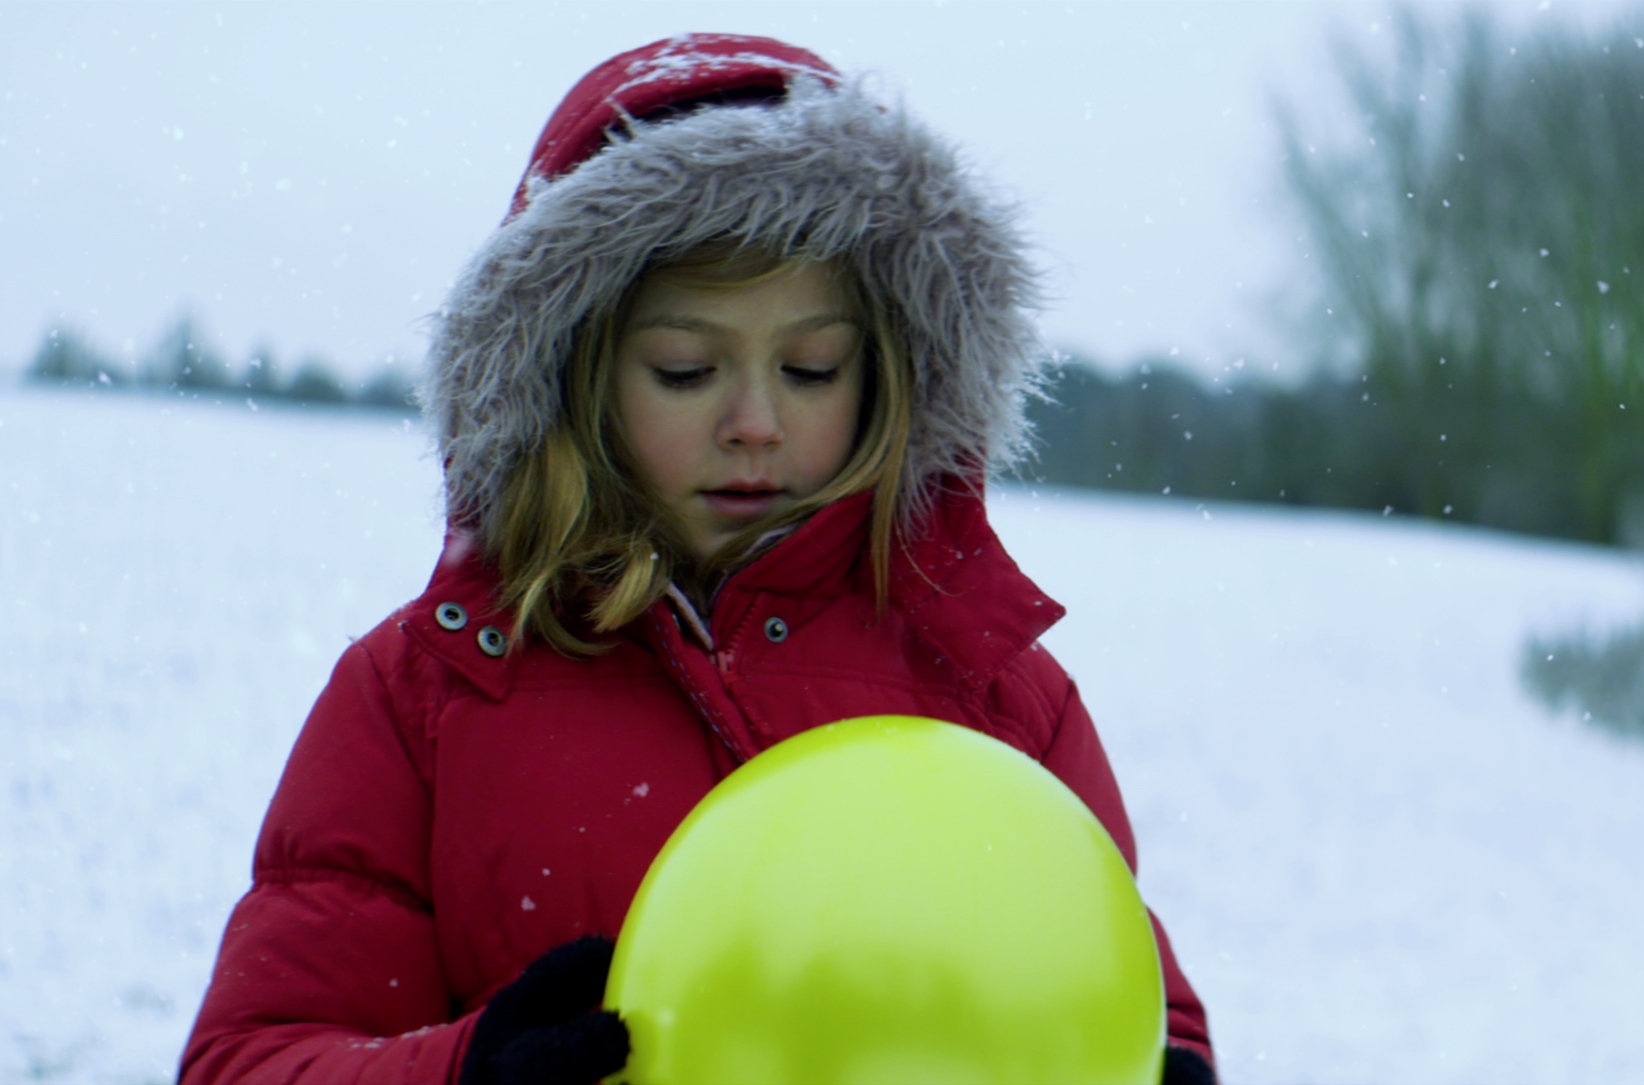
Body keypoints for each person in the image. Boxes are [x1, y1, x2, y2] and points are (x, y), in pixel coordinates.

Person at [180, 33, 1215, 1085]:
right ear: (575, 369)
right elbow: (251, 1056)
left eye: (811, 366)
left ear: (887, 372)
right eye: (685, 368)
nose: (754, 422)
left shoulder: (994, 695)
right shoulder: (427, 696)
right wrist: (463, 1070)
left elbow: (1136, 1006)